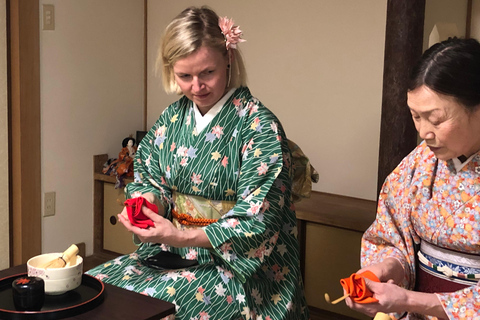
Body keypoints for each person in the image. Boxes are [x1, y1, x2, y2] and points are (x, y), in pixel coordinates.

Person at [87, 6, 310, 320]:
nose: (196, 86)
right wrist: (145, 204)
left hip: (239, 271)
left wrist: (178, 236)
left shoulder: (259, 126)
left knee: (153, 307)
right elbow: (152, 181)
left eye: (207, 72)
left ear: (228, 59)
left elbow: (257, 221)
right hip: (172, 255)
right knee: (97, 288)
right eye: (184, 76)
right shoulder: (171, 119)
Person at [346, 37, 480, 320]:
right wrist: (387, 267)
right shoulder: (421, 161)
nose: (424, 132)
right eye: (416, 116)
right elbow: (391, 234)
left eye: (436, 118)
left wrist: (410, 299)